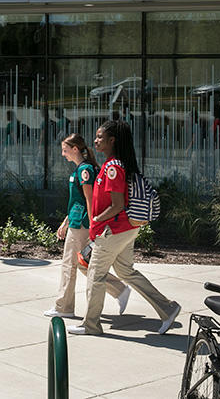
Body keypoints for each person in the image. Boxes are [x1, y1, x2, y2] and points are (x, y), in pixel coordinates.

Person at [69, 120, 181, 336]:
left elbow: (117, 205)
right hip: (123, 229)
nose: (95, 140)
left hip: (113, 230)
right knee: (125, 271)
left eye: (100, 137)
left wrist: (96, 221)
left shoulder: (113, 168)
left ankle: (91, 325)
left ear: (112, 141)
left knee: (95, 274)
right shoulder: (116, 164)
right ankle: (168, 308)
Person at [45, 133, 130, 319]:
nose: (63, 154)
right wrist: (65, 222)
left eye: (65, 150)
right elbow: (77, 201)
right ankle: (119, 290)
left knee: (71, 265)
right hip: (77, 221)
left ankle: (64, 307)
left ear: (75, 149)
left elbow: (90, 200)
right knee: (84, 264)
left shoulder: (85, 170)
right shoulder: (81, 169)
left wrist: (93, 226)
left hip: (82, 224)